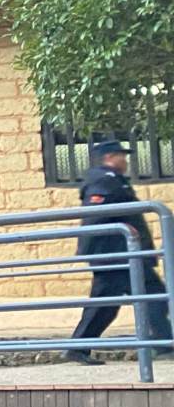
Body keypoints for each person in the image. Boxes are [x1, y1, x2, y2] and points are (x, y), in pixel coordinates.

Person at [67, 140, 172, 365]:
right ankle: (163, 345)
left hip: (124, 254)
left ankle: (163, 344)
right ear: (109, 157)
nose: (125, 161)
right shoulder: (103, 180)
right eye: (121, 156)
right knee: (142, 297)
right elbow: (96, 216)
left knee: (123, 301)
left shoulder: (113, 180)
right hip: (114, 255)